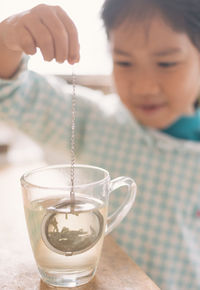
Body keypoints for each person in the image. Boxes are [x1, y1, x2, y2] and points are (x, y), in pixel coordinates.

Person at [0, 1, 200, 289]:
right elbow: (10, 93)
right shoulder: (94, 121)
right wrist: (8, 36)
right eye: (124, 62)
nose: (143, 86)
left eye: (167, 63)